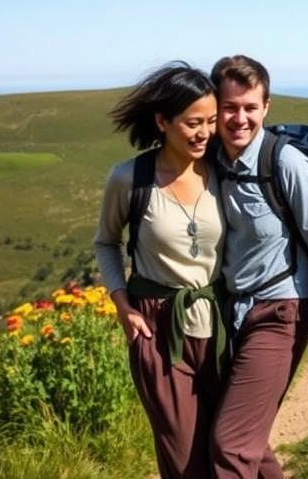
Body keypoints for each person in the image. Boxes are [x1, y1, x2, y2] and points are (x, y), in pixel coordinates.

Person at [209, 55, 308, 479]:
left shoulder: (285, 164)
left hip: (281, 312)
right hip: (233, 312)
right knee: (248, 437)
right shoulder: (214, 160)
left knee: (230, 445)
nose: (239, 118)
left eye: (250, 107)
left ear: (266, 107)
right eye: (229, 107)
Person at [94, 63, 226, 479]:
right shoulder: (130, 178)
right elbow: (105, 242)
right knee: (184, 457)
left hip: (223, 326)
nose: (204, 132)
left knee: (236, 448)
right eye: (192, 123)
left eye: (211, 121)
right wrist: (122, 305)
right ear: (162, 121)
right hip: (158, 329)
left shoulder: (225, 172)